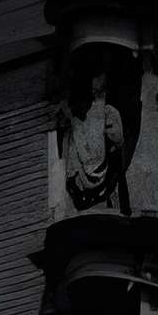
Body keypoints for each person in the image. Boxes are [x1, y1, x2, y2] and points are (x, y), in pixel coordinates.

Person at [62, 66, 127, 214]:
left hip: (91, 187)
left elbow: (117, 140)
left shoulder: (104, 112)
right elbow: (118, 141)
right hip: (96, 185)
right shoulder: (104, 112)